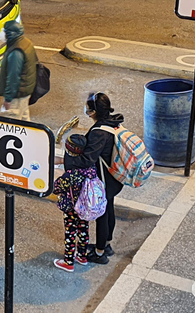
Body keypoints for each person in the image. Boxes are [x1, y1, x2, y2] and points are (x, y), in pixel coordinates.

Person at [82, 92, 124, 264]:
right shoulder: (113, 122)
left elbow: (88, 158)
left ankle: (99, 253)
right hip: (114, 177)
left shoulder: (99, 132)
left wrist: (67, 158)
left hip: (103, 180)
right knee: (109, 209)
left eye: (87, 107)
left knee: (102, 215)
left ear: (92, 112)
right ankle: (106, 244)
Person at [53, 133, 98, 272]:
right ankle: (82, 256)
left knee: (70, 232)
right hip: (86, 207)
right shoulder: (91, 168)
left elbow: (56, 188)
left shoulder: (70, 174)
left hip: (72, 208)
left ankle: (68, 261)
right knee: (84, 229)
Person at [0, 20, 38, 121]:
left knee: (10, 122)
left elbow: (13, 78)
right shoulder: (25, 42)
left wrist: (8, 99)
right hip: (25, 92)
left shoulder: (16, 52)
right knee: (24, 120)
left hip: (17, 95)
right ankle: (28, 137)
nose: (2, 34)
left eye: (5, 31)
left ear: (11, 34)